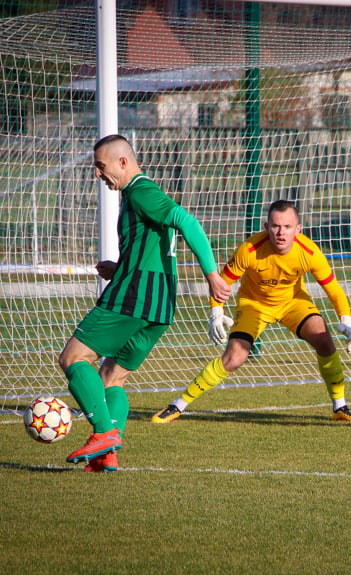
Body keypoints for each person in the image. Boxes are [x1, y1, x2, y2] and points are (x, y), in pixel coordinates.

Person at [58, 134, 232, 472]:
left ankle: (104, 432)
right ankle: (108, 454)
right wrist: (118, 268)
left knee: (73, 357)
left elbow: (188, 222)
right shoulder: (135, 195)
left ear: (122, 162)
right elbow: (153, 247)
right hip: (159, 304)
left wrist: (212, 275)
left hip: (134, 296)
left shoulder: (141, 191)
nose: (98, 173)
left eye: (101, 165)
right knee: (112, 377)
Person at [152, 200, 351, 425]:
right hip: (254, 304)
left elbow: (333, 289)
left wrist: (346, 319)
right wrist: (216, 312)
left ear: (298, 229)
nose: (281, 233)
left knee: (324, 340)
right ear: (266, 226)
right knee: (234, 358)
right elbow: (221, 283)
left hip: (293, 303)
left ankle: (340, 407)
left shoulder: (309, 252)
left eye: (287, 227)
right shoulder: (250, 249)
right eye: (275, 226)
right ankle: (178, 405)